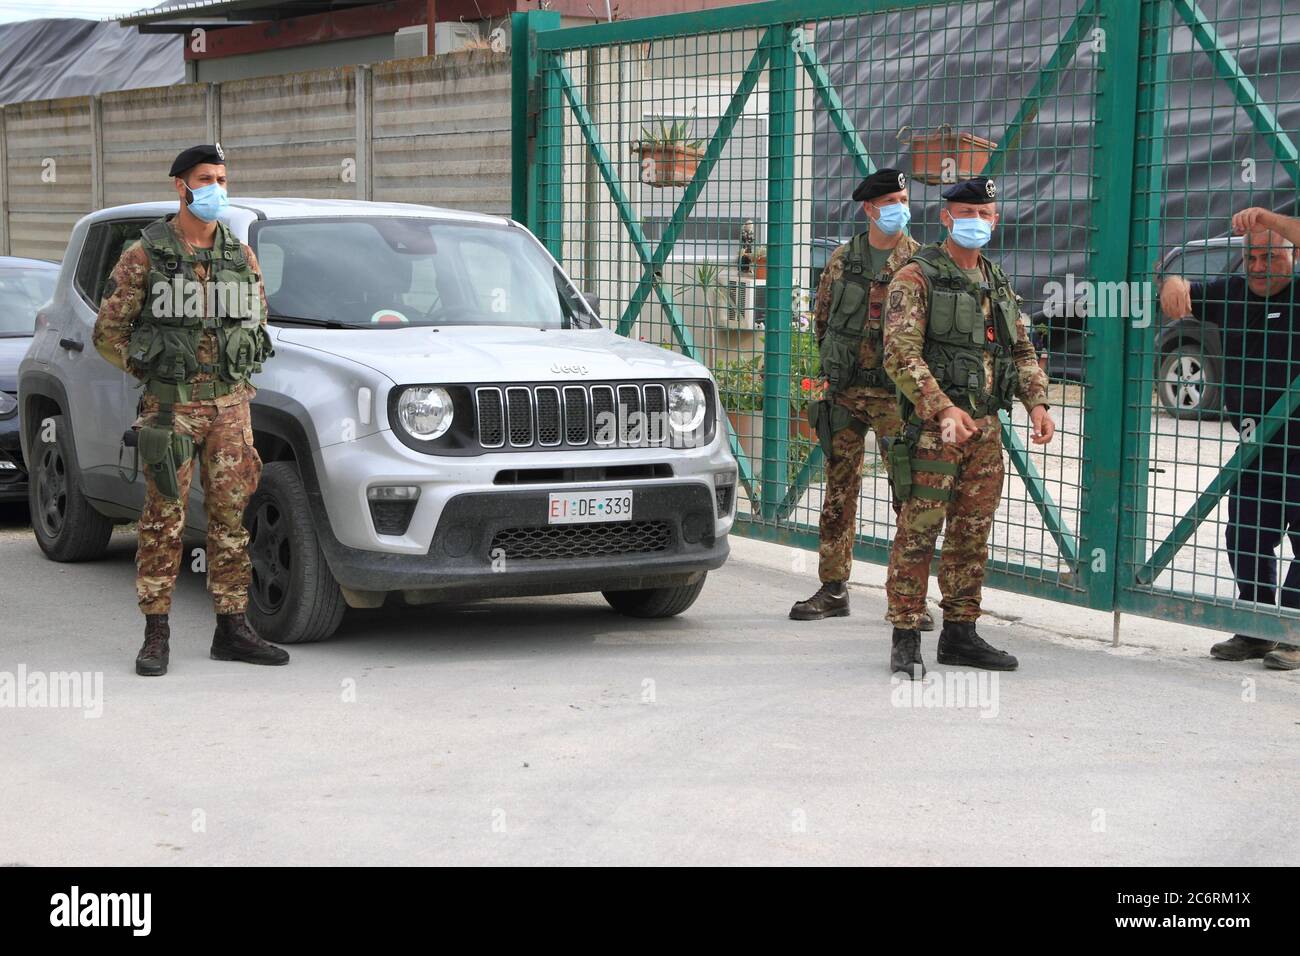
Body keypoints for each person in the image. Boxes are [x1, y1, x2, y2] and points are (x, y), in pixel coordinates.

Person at [92, 143, 285, 676]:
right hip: (170, 411)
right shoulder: (146, 253)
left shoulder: (239, 254)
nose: (216, 188)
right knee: (163, 521)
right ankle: (156, 635)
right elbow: (108, 334)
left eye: (222, 178)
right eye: (206, 178)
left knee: (230, 521)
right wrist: (155, 372)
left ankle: (233, 628)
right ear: (181, 185)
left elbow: (258, 321)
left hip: (230, 410)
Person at [882, 177, 1054, 678]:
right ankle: (906, 634)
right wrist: (940, 408)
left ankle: (960, 632)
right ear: (945, 218)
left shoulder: (996, 281)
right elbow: (900, 352)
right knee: (918, 532)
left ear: (996, 220)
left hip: (985, 433)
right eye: (965, 213)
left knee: (971, 534)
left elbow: (1021, 350)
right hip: (936, 431)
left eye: (984, 213)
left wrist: (1037, 403)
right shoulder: (915, 277)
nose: (975, 221)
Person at [790, 169, 933, 630]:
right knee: (837, 493)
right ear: (869, 208)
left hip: (898, 398)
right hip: (847, 393)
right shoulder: (843, 260)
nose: (900, 207)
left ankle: (909, 598)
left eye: (904, 198)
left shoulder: (922, 261)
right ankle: (833, 589)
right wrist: (837, 372)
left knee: (908, 494)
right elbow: (823, 320)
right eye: (891, 200)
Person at [1160, 206, 1300, 670]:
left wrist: (1269, 218)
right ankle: (1256, 625)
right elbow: (1182, 293)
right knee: (1244, 536)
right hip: (1256, 445)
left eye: (1269, 257)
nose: (1258, 268)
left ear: (1292, 255)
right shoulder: (1233, 292)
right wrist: (1175, 285)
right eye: (1251, 259)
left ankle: (1293, 629)